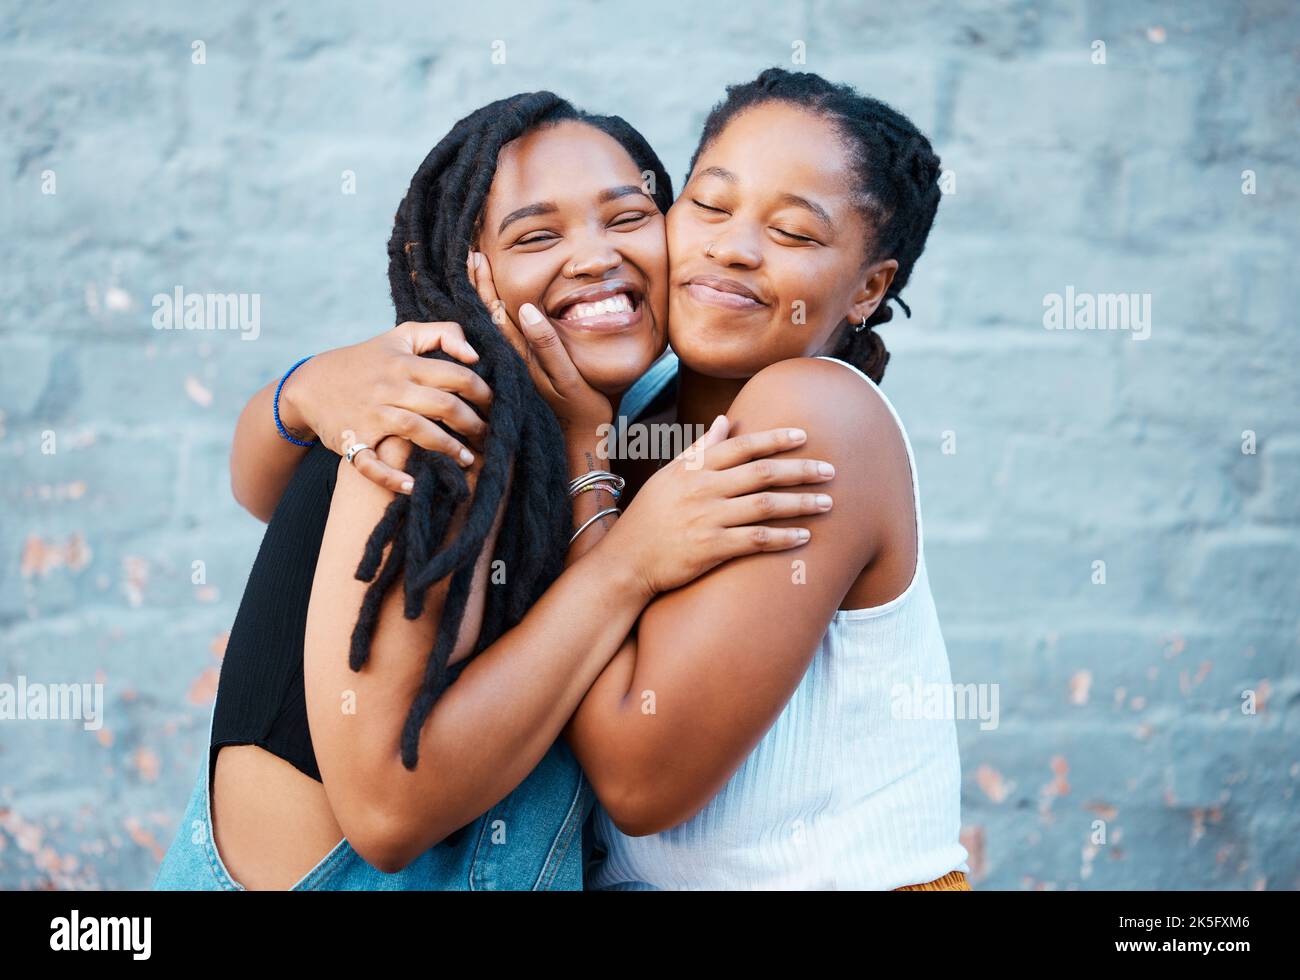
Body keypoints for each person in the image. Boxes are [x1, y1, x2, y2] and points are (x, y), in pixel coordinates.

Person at [152, 90, 833, 890]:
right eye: (536, 235)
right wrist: (629, 563)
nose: (593, 257)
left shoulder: (609, 431)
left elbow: (271, 496)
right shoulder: (441, 416)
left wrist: (296, 395)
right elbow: (388, 816)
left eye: (625, 218)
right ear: (468, 272)